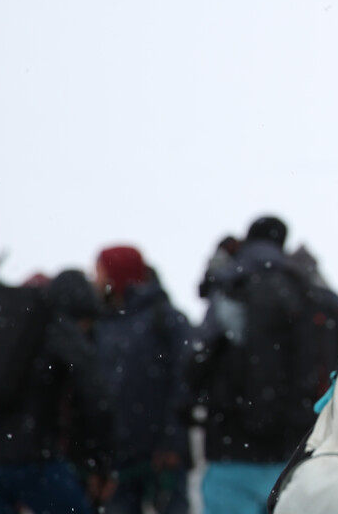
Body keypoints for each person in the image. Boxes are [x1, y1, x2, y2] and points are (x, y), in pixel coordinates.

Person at [187, 217, 314, 514]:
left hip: (231, 446)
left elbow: (196, 360)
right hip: (290, 448)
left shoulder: (229, 287)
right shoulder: (304, 290)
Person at [0, 269, 112, 514]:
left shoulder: (3, 323)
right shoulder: (58, 326)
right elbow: (95, 396)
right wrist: (99, 463)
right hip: (29, 456)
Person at [91, 246, 192, 514]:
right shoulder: (101, 321)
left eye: (100, 272)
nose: (95, 280)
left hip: (161, 454)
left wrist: (171, 440)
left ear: (117, 275)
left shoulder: (164, 318)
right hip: (119, 456)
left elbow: (185, 380)